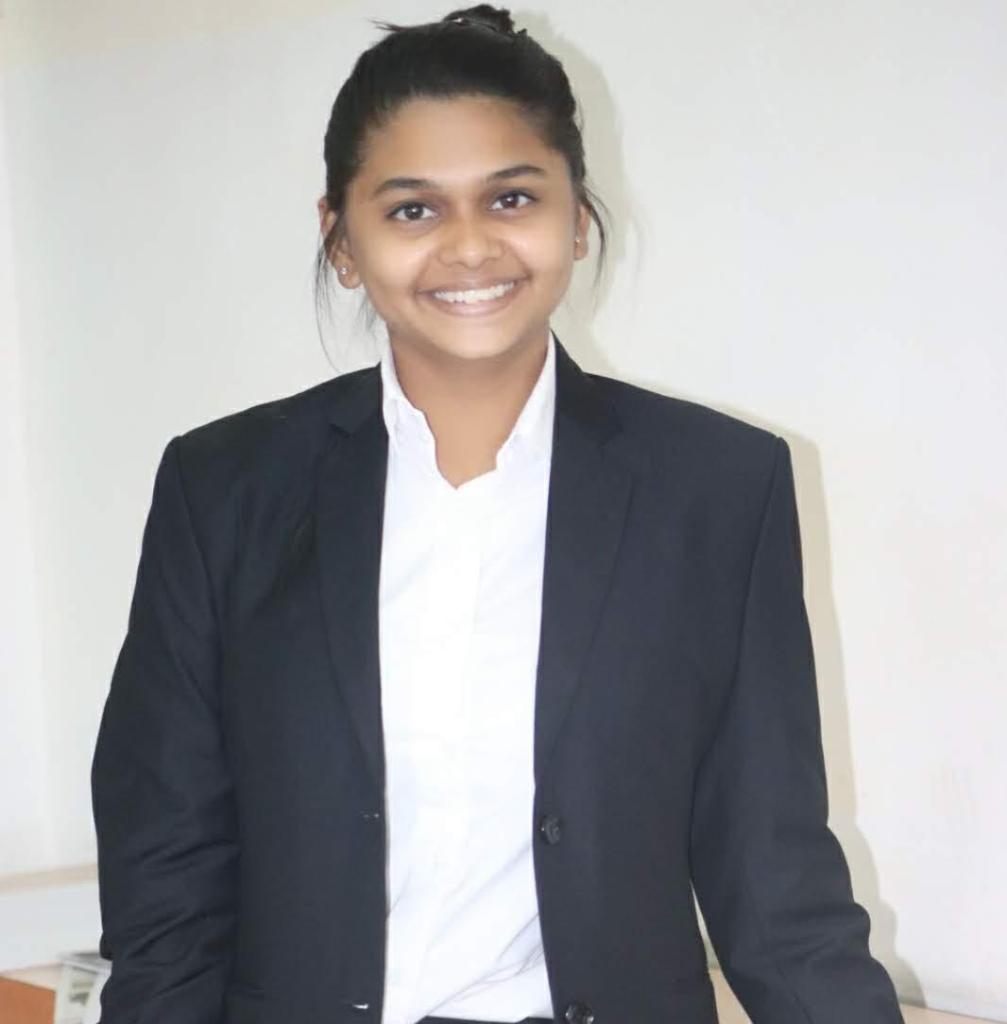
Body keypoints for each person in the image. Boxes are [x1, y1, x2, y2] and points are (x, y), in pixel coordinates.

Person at [90, 5, 905, 1024]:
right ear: (340, 239)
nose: (470, 247)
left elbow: (775, 884)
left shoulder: (714, 489)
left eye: (511, 197)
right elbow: (166, 870)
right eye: (412, 210)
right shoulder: (224, 490)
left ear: (577, 216)